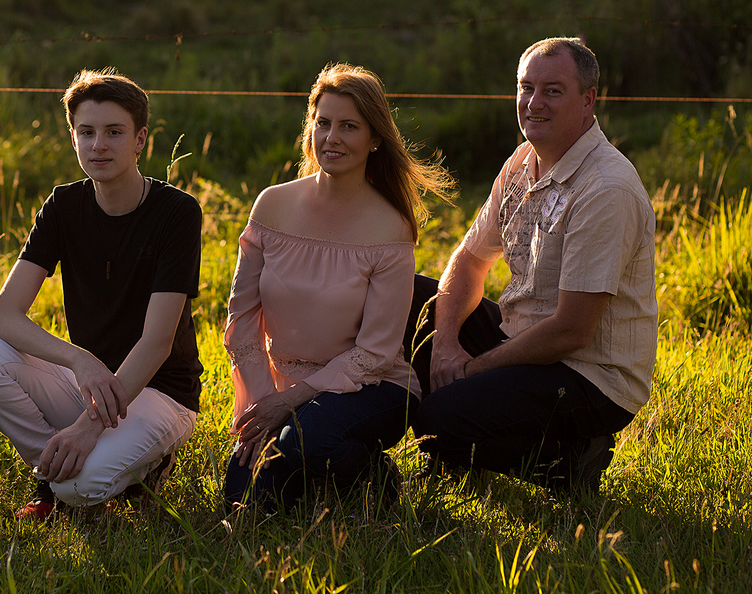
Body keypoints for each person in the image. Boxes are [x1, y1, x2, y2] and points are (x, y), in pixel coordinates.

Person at [0, 69, 202, 519]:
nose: (98, 144)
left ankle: (130, 465)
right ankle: (51, 471)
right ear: (73, 138)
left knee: (80, 488)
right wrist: (79, 360)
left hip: (160, 390)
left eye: (114, 132)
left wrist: (88, 427)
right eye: (86, 132)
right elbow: (3, 317)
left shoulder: (176, 212)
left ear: (140, 139)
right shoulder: (63, 206)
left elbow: (158, 341)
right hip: (89, 381)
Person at [408, 37, 657, 492]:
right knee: (411, 299)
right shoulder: (524, 161)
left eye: (553, 91)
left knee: (437, 417)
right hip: (523, 341)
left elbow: (571, 332)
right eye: (526, 88)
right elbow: (467, 261)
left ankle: (569, 462)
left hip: (587, 376)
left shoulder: (606, 188)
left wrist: (471, 370)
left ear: (588, 100)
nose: (534, 103)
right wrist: (445, 344)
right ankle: (457, 447)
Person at [223, 63, 455, 511]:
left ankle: (373, 476)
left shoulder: (390, 227)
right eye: (323, 123)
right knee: (247, 501)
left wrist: (288, 403)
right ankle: (313, 473)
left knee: (306, 444)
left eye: (349, 126)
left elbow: (375, 353)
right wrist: (265, 403)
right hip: (282, 384)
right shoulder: (272, 205)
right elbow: (242, 317)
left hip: (371, 387)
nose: (332, 138)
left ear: (374, 139)